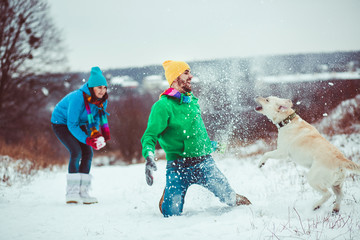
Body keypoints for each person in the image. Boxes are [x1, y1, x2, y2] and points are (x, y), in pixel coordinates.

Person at [141, 60, 251, 217]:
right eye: (186, 72)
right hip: (177, 166)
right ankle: (168, 193)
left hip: (204, 163)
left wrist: (214, 145)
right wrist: (149, 156)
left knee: (231, 198)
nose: (191, 76)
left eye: (190, 72)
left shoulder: (191, 100)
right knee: (171, 213)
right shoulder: (162, 106)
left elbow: (196, 132)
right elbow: (150, 135)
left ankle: (253, 210)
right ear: (174, 78)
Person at [51, 66, 110, 204]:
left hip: (80, 123)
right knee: (76, 151)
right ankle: (72, 193)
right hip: (61, 122)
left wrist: (95, 135)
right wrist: (87, 139)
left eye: (104, 87)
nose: (102, 91)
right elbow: (72, 125)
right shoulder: (78, 98)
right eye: (99, 87)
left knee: (88, 153)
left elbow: (95, 120)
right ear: (92, 88)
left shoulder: (102, 101)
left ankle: (83, 192)